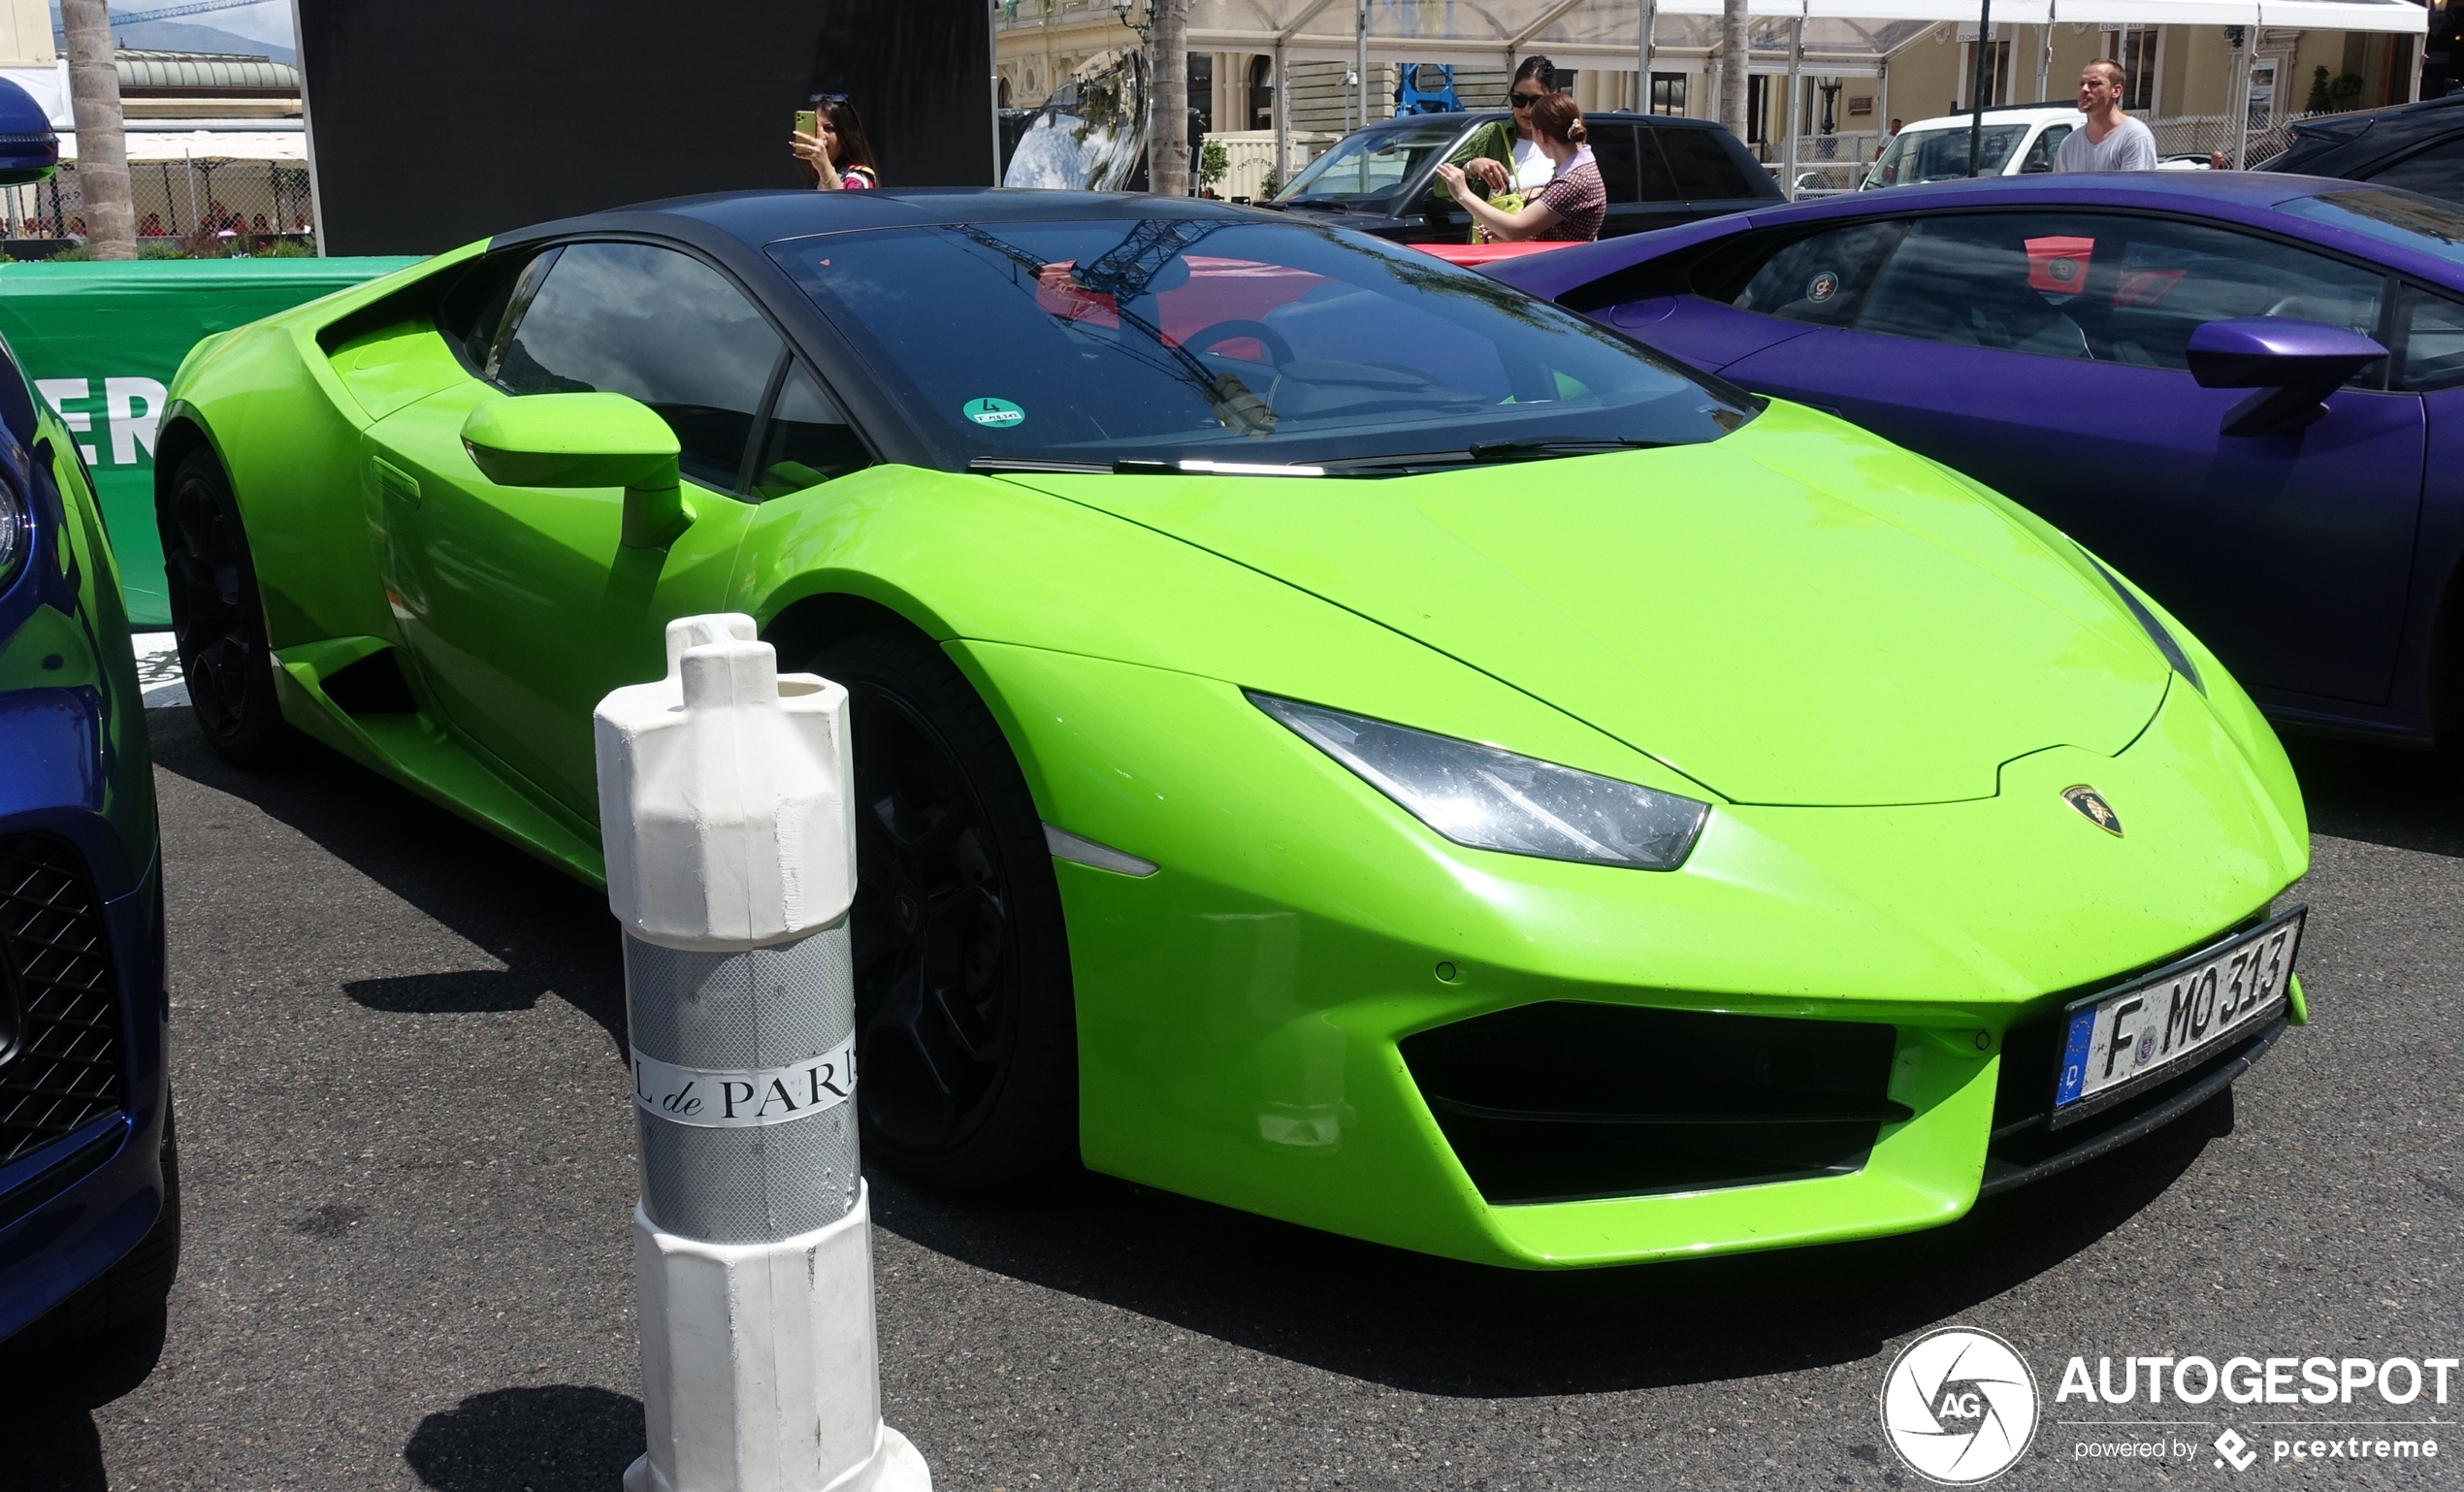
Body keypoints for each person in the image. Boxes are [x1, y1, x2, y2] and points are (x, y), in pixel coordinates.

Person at [1435, 93, 1604, 243]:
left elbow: (1514, 229)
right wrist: (1507, 231)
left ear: (1541, 135)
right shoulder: (1580, 170)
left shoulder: (1572, 181)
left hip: (1558, 272)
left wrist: (1463, 193)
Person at [1457, 55, 1563, 199]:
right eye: (1519, 99)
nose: (1527, 110)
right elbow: (1440, 186)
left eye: (1536, 101)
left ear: (1553, 97)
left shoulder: (1564, 136)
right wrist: (1472, 166)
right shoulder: (1494, 134)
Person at [2055, 60, 2157, 173]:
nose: (2084, 89)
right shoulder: (2070, 143)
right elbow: (2059, 188)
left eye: (2094, 83)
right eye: (2081, 84)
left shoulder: (2134, 137)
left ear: (2116, 91)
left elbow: (2134, 188)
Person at [792, 94, 880, 191]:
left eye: (828, 128)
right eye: (815, 129)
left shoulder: (857, 177)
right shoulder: (819, 180)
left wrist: (824, 167)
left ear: (846, 134)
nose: (821, 136)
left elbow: (845, 205)